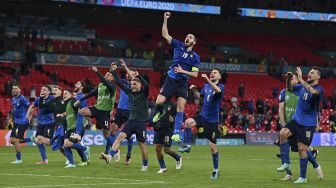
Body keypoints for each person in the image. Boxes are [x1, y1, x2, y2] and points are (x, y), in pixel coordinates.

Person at [152, 12, 200, 143]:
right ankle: (161, 112)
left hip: (182, 83)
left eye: (190, 37)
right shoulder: (178, 45)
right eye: (187, 37)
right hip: (171, 80)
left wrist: (183, 70)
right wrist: (165, 20)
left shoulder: (195, 57)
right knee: (158, 102)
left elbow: (195, 74)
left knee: (180, 108)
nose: (187, 38)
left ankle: (177, 133)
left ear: (194, 42)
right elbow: (165, 35)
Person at [277, 67, 324, 184]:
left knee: (302, 149)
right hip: (296, 120)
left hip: (308, 125)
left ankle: (303, 177)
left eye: (312, 73)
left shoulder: (319, 89)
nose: (310, 74)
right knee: (283, 133)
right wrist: (288, 79)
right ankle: (286, 163)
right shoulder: (302, 87)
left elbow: (312, 91)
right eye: (310, 72)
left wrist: (300, 79)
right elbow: (290, 88)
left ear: (318, 76)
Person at [101, 59, 149, 171]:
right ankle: (110, 156)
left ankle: (145, 165)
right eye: (131, 84)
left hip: (141, 122)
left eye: (134, 83)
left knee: (142, 145)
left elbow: (146, 85)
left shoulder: (144, 93)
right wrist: (113, 71)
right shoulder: (129, 92)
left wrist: (139, 76)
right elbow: (118, 82)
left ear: (139, 85)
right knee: (119, 138)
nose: (132, 85)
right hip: (131, 121)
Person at [179, 69, 224, 180]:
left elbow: (217, 90)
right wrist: (194, 90)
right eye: (211, 72)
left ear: (219, 77)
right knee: (188, 122)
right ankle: (188, 146)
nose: (212, 73)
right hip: (203, 116)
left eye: (215, 72)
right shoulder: (206, 86)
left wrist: (208, 79)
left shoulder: (221, 86)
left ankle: (216, 170)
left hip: (212, 121)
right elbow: (201, 97)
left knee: (213, 148)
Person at [74, 64, 118, 161]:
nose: (106, 75)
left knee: (106, 135)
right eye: (105, 74)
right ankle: (77, 134)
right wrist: (80, 100)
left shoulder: (113, 86)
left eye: (108, 75)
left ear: (113, 78)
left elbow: (107, 83)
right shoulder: (101, 85)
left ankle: (116, 150)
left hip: (105, 113)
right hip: (97, 109)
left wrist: (97, 71)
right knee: (81, 112)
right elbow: (92, 93)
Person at [110, 61, 135, 165]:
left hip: (129, 111)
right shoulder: (124, 82)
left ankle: (128, 154)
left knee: (128, 135)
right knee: (112, 130)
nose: (128, 74)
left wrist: (125, 67)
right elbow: (116, 79)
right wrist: (113, 69)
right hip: (120, 110)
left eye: (131, 73)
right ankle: (115, 151)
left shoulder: (135, 85)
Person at [26, 85, 55, 164]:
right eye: (42, 89)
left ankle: (60, 142)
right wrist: (28, 116)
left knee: (47, 142)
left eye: (44, 89)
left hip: (49, 123)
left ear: (49, 91)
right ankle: (45, 160)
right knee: (39, 141)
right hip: (40, 123)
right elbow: (32, 107)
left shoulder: (52, 98)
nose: (42, 90)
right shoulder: (38, 99)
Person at [63, 89, 90, 168]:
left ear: (71, 95)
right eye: (63, 93)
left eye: (66, 93)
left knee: (69, 144)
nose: (64, 95)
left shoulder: (73, 101)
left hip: (76, 127)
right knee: (66, 145)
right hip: (69, 128)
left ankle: (85, 148)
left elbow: (82, 105)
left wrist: (85, 118)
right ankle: (81, 161)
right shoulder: (67, 104)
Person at [153, 100, 182, 173]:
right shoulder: (158, 104)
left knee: (166, 149)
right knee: (157, 149)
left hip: (168, 129)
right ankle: (162, 167)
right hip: (159, 128)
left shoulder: (172, 105)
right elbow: (155, 116)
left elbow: (177, 117)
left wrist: (173, 120)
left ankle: (178, 158)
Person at [9, 84, 30, 164]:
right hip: (16, 122)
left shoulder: (23, 99)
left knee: (16, 140)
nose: (14, 90)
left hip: (23, 121)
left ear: (20, 90)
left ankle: (19, 159)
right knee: (11, 140)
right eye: (13, 88)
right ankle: (31, 139)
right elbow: (14, 109)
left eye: (16, 88)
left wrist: (29, 117)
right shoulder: (13, 98)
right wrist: (11, 117)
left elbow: (30, 107)